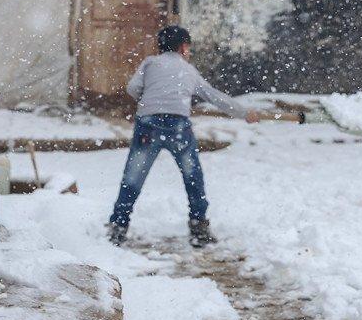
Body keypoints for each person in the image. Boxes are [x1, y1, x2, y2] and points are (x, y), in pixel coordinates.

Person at [107, 26, 261, 248]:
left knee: (133, 177)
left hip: (148, 125)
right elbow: (214, 96)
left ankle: (118, 227)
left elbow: (132, 89)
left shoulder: (150, 63)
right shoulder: (187, 70)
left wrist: (151, 97)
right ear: (182, 47)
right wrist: (244, 113)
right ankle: (199, 226)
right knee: (193, 176)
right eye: (188, 46)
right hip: (178, 126)